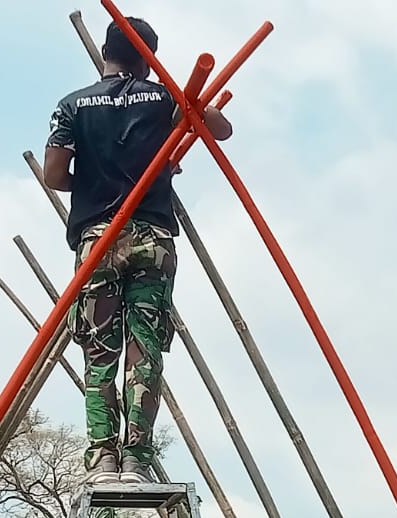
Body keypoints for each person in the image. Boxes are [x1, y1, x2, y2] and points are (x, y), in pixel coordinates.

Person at [43, 16, 234, 483]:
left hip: (97, 239)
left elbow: (53, 175)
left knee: (98, 349)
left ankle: (103, 457)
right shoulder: (164, 97)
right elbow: (220, 128)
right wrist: (184, 108)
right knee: (144, 347)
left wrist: (88, 184)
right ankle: (136, 459)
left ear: (106, 53)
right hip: (151, 237)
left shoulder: (73, 105)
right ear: (150, 59)